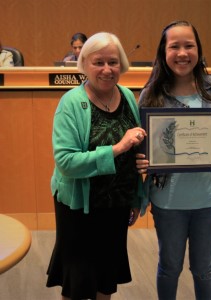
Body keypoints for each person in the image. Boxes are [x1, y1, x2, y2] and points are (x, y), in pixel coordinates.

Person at [138, 20, 211, 300]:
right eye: (174, 46)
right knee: (169, 267)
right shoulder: (151, 94)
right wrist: (141, 159)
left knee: (204, 269)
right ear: (163, 52)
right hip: (168, 200)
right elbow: (141, 143)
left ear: (199, 49)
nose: (182, 53)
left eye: (189, 45)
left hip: (209, 198)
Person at [46, 32, 147, 300]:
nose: (106, 69)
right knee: (78, 283)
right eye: (98, 62)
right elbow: (66, 163)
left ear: (122, 65)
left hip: (117, 205)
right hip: (79, 207)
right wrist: (117, 148)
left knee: (106, 278)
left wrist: (136, 196)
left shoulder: (127, 95)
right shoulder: (70, 102)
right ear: (84, 65)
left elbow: (136, 155)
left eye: (113, 62)